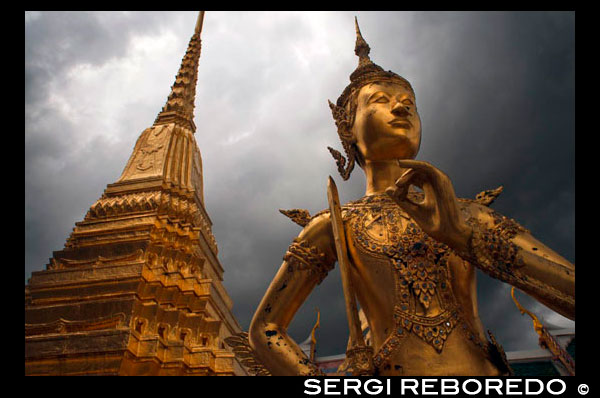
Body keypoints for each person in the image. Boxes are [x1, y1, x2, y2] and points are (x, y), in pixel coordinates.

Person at [248, 19, 574, 376]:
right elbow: (265, 329)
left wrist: (464, 239)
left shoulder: (466, 215)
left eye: (409, 103)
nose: (402, 108)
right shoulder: (338, 224)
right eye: (381, 101)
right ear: (347, 128)